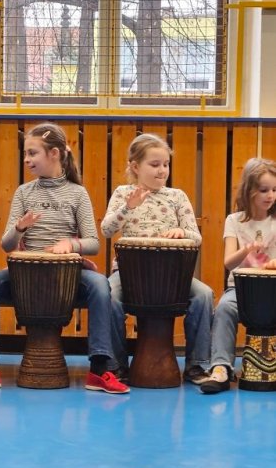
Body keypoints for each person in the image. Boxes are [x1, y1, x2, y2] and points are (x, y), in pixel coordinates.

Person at [0, 121, 129, 394]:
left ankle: (100, 369)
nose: (26, 159)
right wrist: (19, 227)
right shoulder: (24, 192)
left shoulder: (77, 193)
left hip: (67, 278)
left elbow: (94, 243)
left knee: (100, 284)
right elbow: (6, 244)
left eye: (32, 153)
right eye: (25, 153)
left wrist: (71, 243)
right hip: (27, 276)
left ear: (55, 154)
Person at [101, 132, 214, 385]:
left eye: (166, 164)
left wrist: (182, 232)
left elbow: (196, 237)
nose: (162, 170)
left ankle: (197, 365)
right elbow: (107, 230)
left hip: (172, 276)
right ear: (135, 166)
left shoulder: (177, 196)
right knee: (108, 297)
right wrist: (128, 207)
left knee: (204, 295)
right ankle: (116, 365)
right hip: (127, 274)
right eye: (154, 164)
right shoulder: (123, 193)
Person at [200, 157, 276, 394]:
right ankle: (221, 367)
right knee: (224, 308)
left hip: (272, 290)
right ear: (249, 190)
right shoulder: (234, 221)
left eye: (274, 190)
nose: (270, 195)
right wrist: (246, 250)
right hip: (240, 290)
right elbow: (228, 262)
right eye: (264, 190)